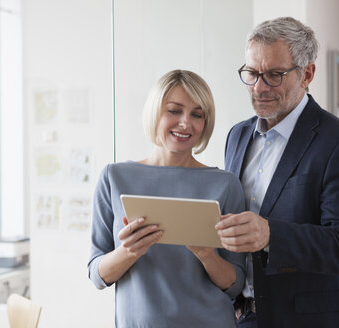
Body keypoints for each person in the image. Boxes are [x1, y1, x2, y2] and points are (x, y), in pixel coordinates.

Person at [215, 17, 339, 328]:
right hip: (244, 318)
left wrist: (271, 234)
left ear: (307, 74)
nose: (259, 87)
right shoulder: (237, 135)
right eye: (252, 74)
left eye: (274, 75)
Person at [88, 70, 246, 327]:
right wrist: (128, 251)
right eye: (174, 111)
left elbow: (235, 283)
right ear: (155, 112)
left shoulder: (225, 185)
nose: (186, 123)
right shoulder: (114, 177)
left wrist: (208, 255)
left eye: (197, 114)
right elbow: (97, 275)